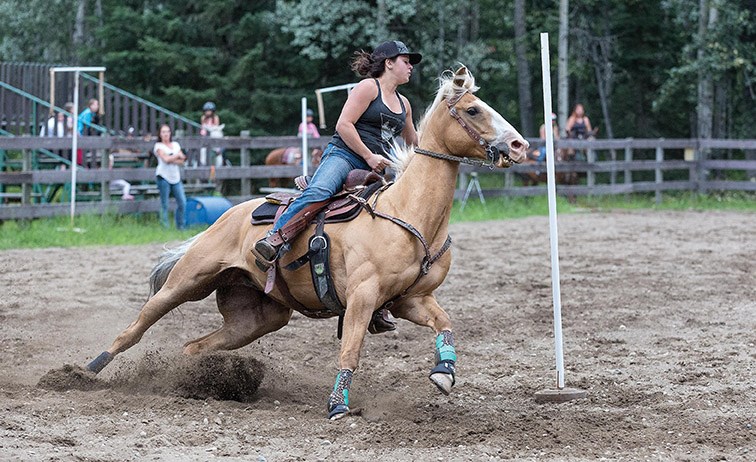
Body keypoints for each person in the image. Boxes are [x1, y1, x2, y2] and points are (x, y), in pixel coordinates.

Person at [254, 39, 422, 269]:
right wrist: (369, 156)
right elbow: (344, 125)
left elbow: (413, 141)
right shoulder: (368, 87)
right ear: (389, 63)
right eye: (406, 61)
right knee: (321, 190)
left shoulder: (405, 104)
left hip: (378, 168)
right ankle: (274, 238)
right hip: (345, 156)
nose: (411, 66)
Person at [153, 124, 187, 229]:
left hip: (175, 177)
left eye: (167, 131)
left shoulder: (176, 144)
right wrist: (176, 156)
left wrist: (171, 157)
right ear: (160, 134)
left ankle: (180, 226)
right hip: (163, 176)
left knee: (182, 202)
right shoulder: (158, 146)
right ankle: (165, 227)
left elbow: (183, 160)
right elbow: (166, 160)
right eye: (163, 132)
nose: (166, 134)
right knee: (165, 203)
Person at [199, 101, 224, 167]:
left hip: (213, 132)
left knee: (218, 135)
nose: (208, 112)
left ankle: (218, 151)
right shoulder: (203, 118)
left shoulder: (215, 118)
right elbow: (202, 126)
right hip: (205, 133)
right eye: (206, 111)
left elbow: (216, 126)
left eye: (209, 111)